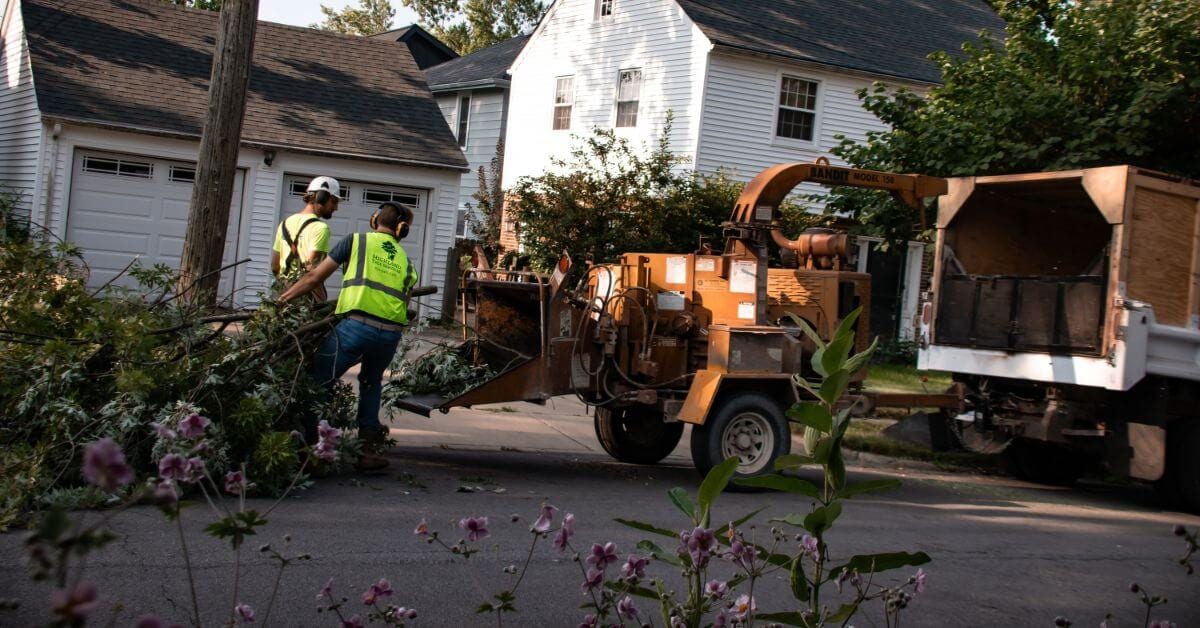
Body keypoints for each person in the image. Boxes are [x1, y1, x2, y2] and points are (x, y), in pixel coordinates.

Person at [280, 201, 418, 472]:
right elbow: (405, 303)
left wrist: (283, 300)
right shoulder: (407, 262)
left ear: (374, 219)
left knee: (318, 381)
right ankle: (367, 452)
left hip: (356, 327)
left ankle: (313, 451)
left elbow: (313, 277)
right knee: (371, 383)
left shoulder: (356, 241)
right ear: (402, 230)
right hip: (389, 335)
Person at [271, 176, 340, 302]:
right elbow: (311, 270)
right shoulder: (320, 228)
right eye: (334, 201)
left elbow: (275, 266)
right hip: (305, 298)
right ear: (321, 197)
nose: (336, 208)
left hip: (283, 293)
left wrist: (285, 290)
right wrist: (321, 301)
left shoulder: (284, 223)